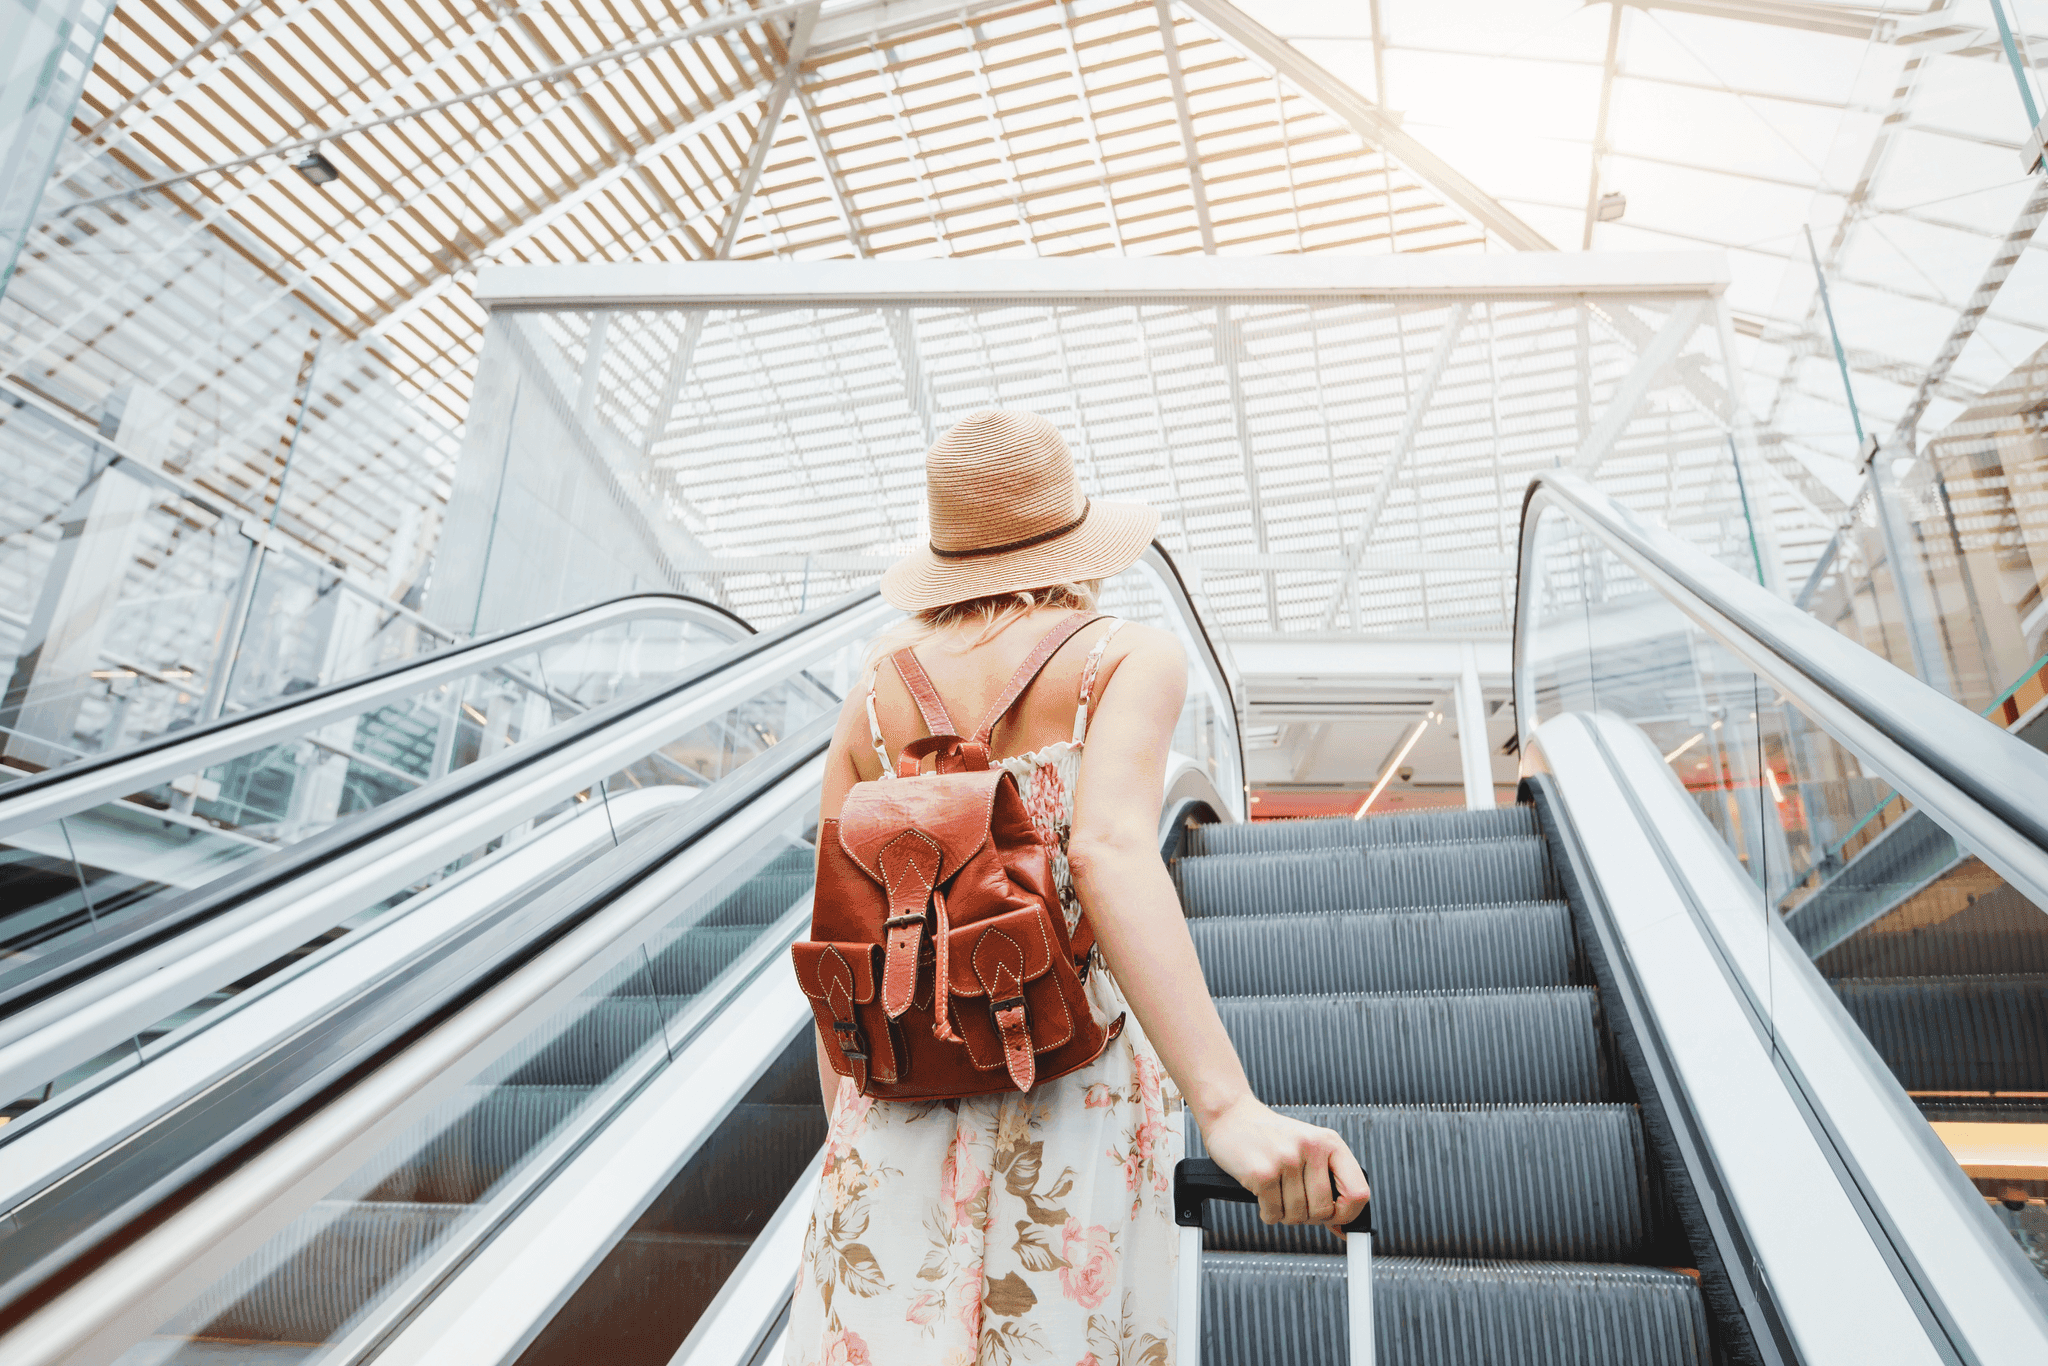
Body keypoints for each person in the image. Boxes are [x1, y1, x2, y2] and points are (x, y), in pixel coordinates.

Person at [787, 409, 1369, 1366]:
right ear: (1076, 536)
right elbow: (1107, 850)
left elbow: (840, 924)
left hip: (890, 1102)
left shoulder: (872, 692)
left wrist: (848, 1120)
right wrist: (1226, 1107)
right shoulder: (1122, 657)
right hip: (1065, 1075)